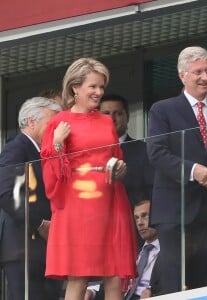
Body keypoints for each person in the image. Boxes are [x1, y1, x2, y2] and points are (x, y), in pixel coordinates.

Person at [40, 57, 137, 300]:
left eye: (101, 87)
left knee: (114, 272)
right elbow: (50, 170)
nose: (98, 92)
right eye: (93, 86)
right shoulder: (59, 122)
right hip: (78, 202)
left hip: (110, 198)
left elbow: (116, 156)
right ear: (76, 88)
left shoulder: (106, 121)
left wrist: (120, 168)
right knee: (79, 276)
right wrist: (58, 143)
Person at [146, 46, 207, 293]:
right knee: (173, 280)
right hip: (174, 208)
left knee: (202, 279)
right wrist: (194, 170)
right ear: (182, 75)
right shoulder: (162, 109)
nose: (205, 77)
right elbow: (157, 153)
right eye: (197, 71)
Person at [0, 97, 63, 300]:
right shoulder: (16, 147)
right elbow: (8, 194)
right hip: (24, 246)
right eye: (51, 123)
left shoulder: (42, 151)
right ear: (31, 121)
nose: (54, 129)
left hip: (42, 249)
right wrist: (40, 224)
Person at [85, 200, 160, 300]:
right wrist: (91, 291)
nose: (140, 223)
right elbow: (112, 283)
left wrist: (153, 293)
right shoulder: (132, 251)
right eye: (136, 218)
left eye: (145, 215)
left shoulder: (170, 251)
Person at [99, 94, 153, 208]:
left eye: (118, 113)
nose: (112, 119)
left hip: (131, 218)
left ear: (127, 117)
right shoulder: (89, 152)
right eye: (106, 113)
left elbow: (151, 191)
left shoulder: (144, 150)